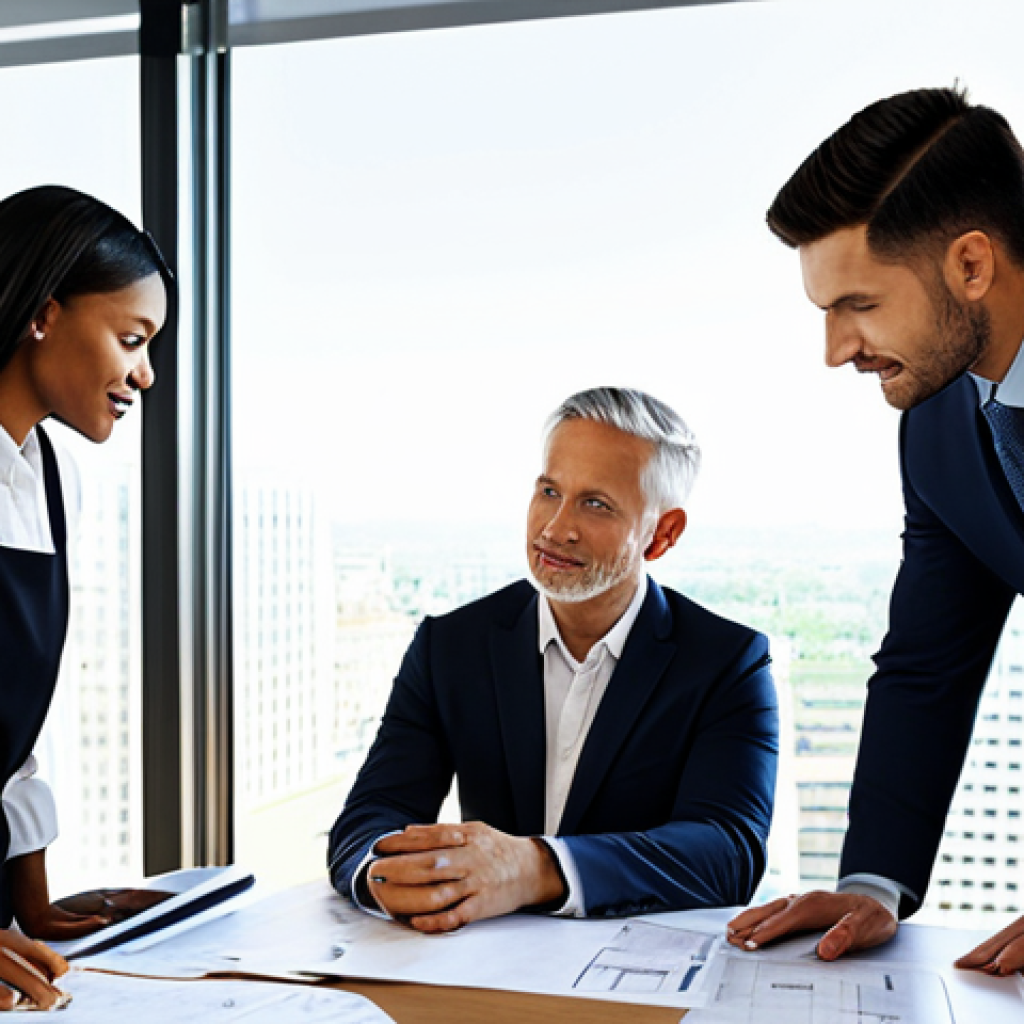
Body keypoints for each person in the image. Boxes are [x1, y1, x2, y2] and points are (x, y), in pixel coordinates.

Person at [728, 86, 1024, 977]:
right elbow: (928, 663)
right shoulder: (936, 427)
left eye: (857, 304)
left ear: (971, 265)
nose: (835, 349)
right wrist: (874, 880)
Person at [329, 387, 778, 932]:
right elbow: (369, 818)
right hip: (479, 974)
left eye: (595, 504)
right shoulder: (450, 645)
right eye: (549, 491)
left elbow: (727, 852)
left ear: (662, 534)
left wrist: (534, 868)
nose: (554, 528)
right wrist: (389, 877)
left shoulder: (729, 664)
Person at [0, 184, 170, 1007]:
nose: (144, 373)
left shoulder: (41, 473)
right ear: (44, 313)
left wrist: (31, 901)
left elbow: (13, 729)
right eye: (131, 338)